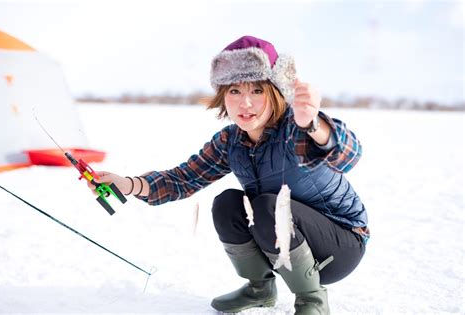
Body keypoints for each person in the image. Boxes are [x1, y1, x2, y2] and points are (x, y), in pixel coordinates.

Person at [89, 35, 369, 315]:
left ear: (275, 91)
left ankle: (312, 301)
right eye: (234, 91)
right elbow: (182, 179)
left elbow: (349, 154)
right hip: (288, 244)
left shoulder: (296, 129)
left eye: (257, 90)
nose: (245, 103)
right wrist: (127, 184)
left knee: (268, 206)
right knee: (227, 203)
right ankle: (260, 289)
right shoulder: (230, 142)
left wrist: (313, 123)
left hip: (342, 243)